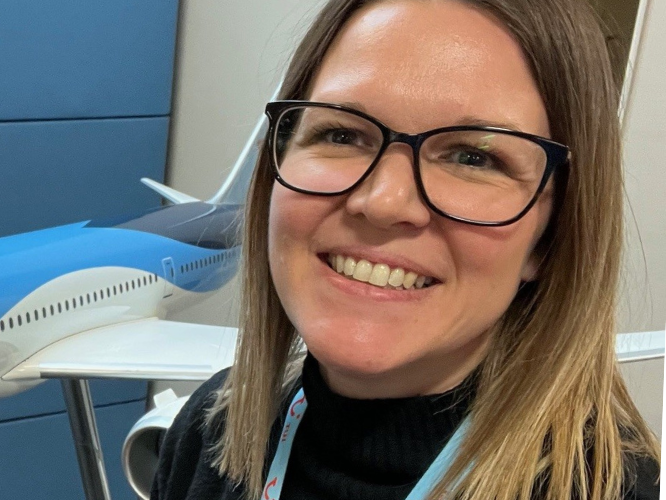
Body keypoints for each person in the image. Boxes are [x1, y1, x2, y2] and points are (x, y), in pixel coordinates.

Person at [151, 0, 661, 499]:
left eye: (473, 157)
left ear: (550, 238)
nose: (383, 202)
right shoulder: (209, 432)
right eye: (341, 133)